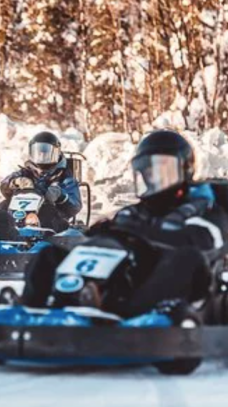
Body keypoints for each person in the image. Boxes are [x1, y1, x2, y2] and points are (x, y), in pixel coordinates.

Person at [21, 129, 228, 319]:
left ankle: (123, 317)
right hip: (125, 280)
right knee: (49, 255)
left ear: (184, 169)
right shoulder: (137, 210)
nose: (153, 175)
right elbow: (100, 235)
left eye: (162, 168)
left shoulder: (205, 207)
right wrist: (99, 232)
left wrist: (142, 233)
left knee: (187, 257)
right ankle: (33, 311)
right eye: (147, 169)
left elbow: (205, 241)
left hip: (178, 290)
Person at [0, 131, 82, 232]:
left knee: (47, 211)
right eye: (38, 153)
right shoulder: (26, 172)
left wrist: (60, 196)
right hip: (22, 211)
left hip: (52, 215)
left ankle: (40, 241)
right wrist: (15, 182)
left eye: (45, 153)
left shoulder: (64, 177)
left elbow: (75, 205)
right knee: (2, 209)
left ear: (56, 153)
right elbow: (4, 185)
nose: (41, 157)